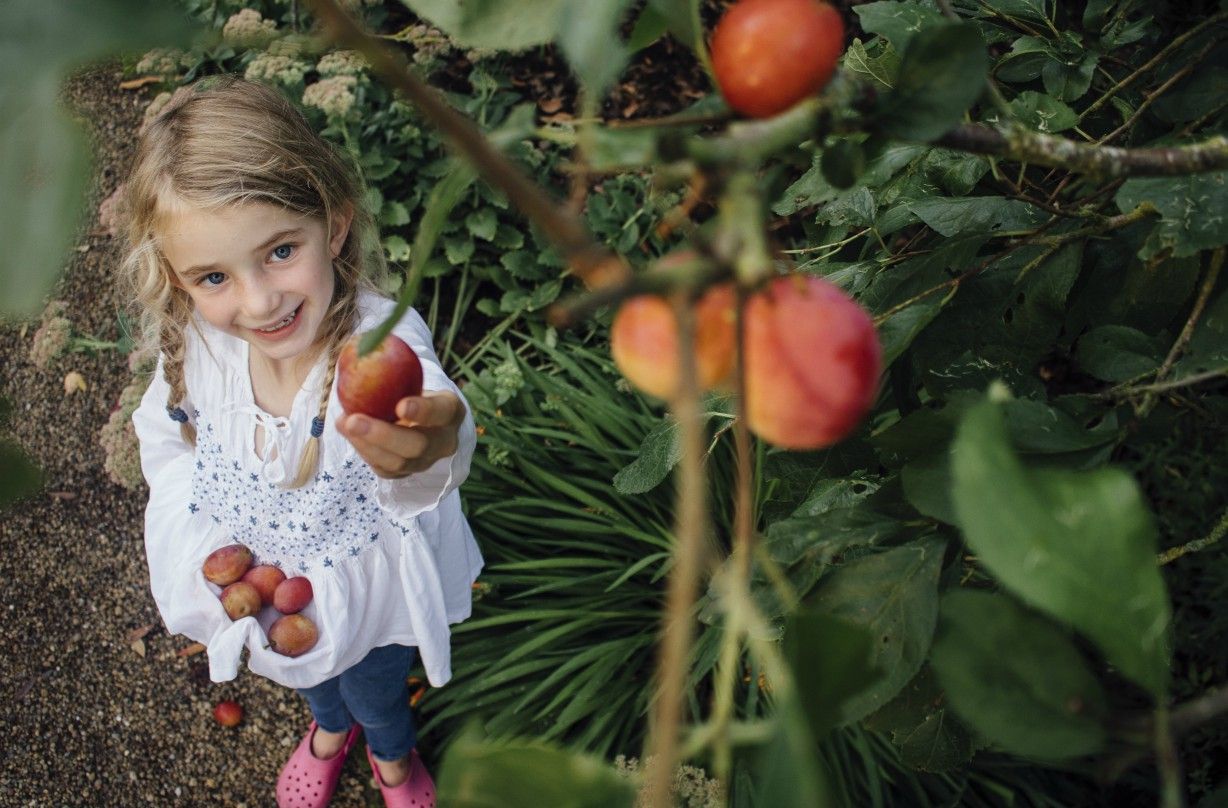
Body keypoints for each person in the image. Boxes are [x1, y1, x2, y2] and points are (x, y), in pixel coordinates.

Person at [120, 74, 483, 808]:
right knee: (311, 678)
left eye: (281, 251)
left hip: (366, 584)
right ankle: (325, 732)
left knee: (376, 690)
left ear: (335, 224)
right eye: (215, 275)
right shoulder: (197, 344)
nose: (259, 301)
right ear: (179, 280)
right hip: (274, 587)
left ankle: (390, 758)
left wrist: (431, 444)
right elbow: (168, 438)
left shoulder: (377, 342)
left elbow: (432, 427)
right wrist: (200, 534)